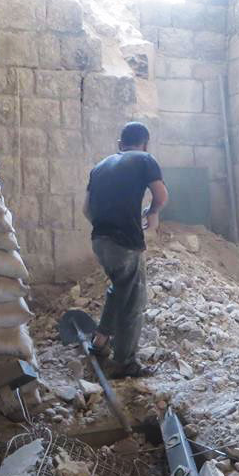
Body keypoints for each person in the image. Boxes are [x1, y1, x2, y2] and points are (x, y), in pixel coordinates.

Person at [84, 122, 168, 378]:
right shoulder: (145, 159)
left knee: (119, 288)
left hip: (99, 240)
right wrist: (152, 212)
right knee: (134, 301)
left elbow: (86, 210)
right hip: (125, 242)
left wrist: (107, 226)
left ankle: (99, 342)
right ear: (145, 143)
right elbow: (161, 195)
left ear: (120, 144)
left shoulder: (99, 167)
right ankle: (124, 362)